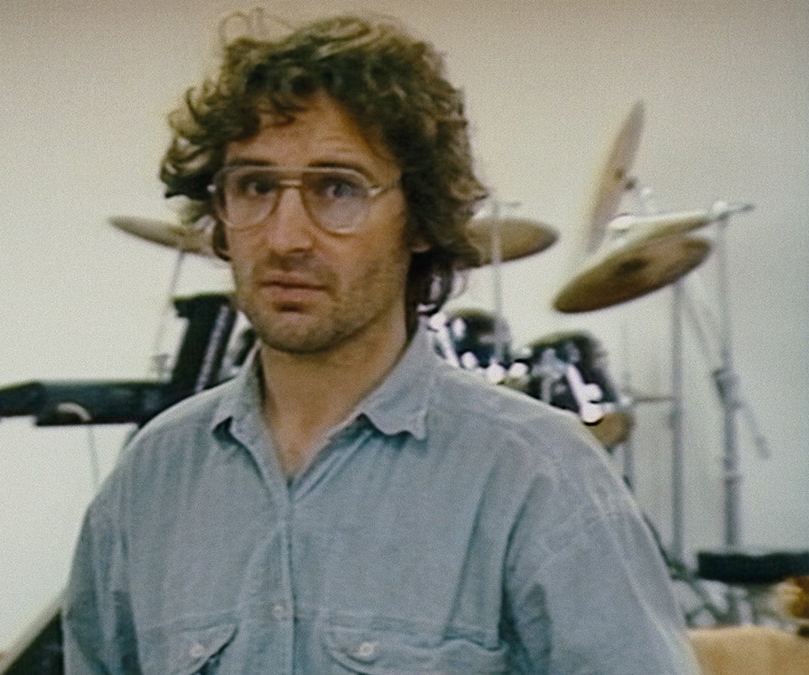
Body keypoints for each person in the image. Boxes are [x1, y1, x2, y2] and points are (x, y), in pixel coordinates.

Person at [63, 11, 698, 674]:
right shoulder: (149, 482)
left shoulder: (537, 476)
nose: (285, 236)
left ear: (418, 219)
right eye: (254, 186)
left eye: (336, 188)